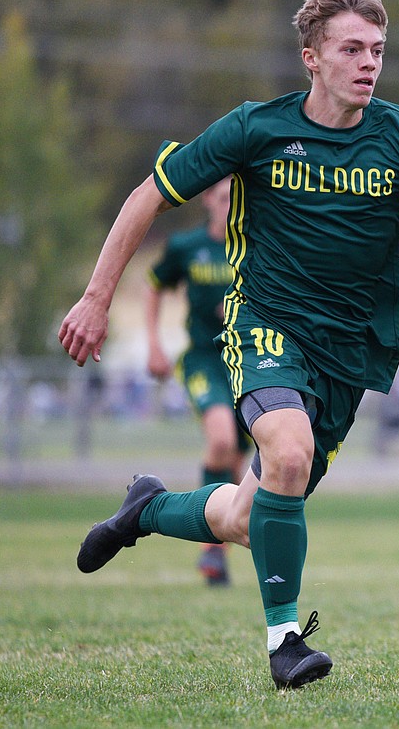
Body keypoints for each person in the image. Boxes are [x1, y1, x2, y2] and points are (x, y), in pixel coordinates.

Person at [58, 0, 399, 690]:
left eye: (377, 49)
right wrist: (98, 297)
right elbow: (149, 194)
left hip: (352, 354)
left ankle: (146, 508)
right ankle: (285, 642)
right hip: (266, 325)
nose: (369, 62)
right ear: (312, 57)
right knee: (288, 447)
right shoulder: (255, 128)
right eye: (351, 49)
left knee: (250, 516)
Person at [144, 176, 251, 586]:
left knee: (239, 460)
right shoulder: (186, 247)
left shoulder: (255, 246)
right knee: (221, 441)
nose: (229, 206)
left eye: (236, 200)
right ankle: (210, 548)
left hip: (249, 360)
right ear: (208, 198)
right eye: (223, 198)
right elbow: (154, 287)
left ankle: (219, 552)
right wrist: (154, 344)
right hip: (205, 360)